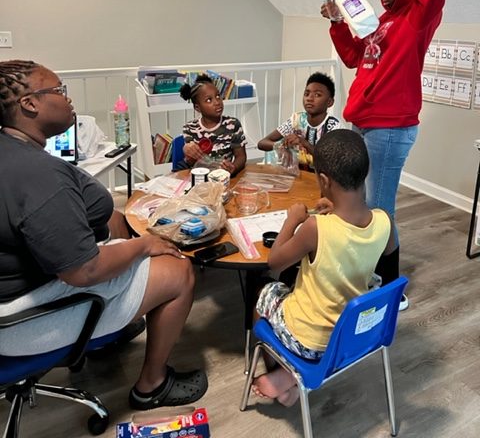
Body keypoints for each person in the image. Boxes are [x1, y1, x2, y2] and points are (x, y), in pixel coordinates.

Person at [0, 60, 208, 410]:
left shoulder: (14, 152)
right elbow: (85, 272)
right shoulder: (39, 177)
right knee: (179, 270)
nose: (69, 101)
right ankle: (152, 386)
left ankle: (109, 340)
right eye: (59, 91)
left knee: (116, 221)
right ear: (29, 104)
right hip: (20, 321)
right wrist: (143, 245)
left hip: (21, 290)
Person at [321, 0, 446, 309]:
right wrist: (336, 23)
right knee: (359, 203)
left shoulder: (419, 15)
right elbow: (353, 58)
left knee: (379, 210)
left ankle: (392, 290)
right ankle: (366, 273)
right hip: (365, 120)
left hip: (390, 127)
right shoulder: (384, 22)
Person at [252, 129, 395, 406]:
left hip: (311, 342)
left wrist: (292, 220)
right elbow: (387, 248)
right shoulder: (384, 220)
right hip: (352, 336)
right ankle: (289, 379)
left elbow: (275, 262)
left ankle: (284, 373)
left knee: (265, 290)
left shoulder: (315, 228)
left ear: (324, 180)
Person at [257, 71, 340, 171]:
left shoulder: (335, 127)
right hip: (298, 175)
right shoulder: (296, 119)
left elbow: (331, 161)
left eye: (317, 95)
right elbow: (262, 143)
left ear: (329, 102)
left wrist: (305, 143)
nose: (309, 98)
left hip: (323, 180)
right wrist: (281, 147)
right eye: (307, 94)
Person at [179, 73, 247, 176]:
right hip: (200, 179)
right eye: (209, 100)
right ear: (197, 107)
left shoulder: (233, 124)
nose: (217, 102)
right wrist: (187, 151)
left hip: (224, 179)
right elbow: (191, 162)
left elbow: (241, 157)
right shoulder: (190, 128)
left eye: (218, 96)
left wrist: (234, 168)